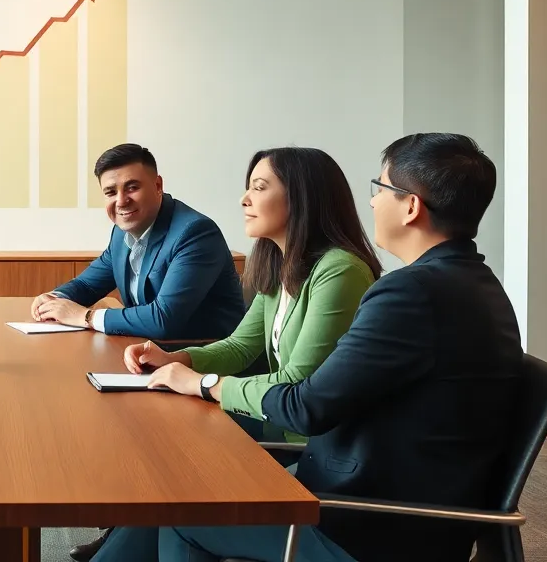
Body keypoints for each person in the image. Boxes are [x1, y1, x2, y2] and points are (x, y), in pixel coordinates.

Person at [93, 133, 522, 562]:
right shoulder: (469, 284)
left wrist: (204, 383)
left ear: (410, 207)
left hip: (370, 521)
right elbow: (257, 354)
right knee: (178, 491)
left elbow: (305, 404)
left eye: (381, 189)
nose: (372, 202)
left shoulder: (409, 294)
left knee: (182, 513)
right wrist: (181, 363)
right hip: (372, 484)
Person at [78, 147, 380, 562]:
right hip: (277, 423)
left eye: (259, 187)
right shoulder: (280, 262)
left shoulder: (339, 270)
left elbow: (296, 385)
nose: (244, 200)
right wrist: (177, 361)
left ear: (302, 197)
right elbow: (240, 346)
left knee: (178, 498)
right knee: (171, 482)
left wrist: (203, 384)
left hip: (313, 449)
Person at [33, 143, 245, 341]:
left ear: (158, 185)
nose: (121, 200)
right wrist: (55, 298)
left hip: (201, 356)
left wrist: (86, 317)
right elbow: (87, 285)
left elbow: (164, 319)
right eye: (110, 192)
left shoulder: (194, 233)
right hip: (147, 351)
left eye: (132, 187)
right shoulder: (121, 233)